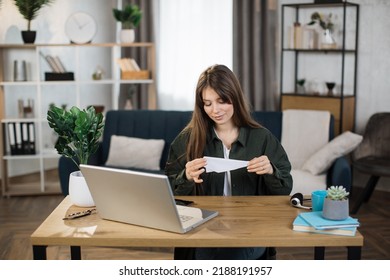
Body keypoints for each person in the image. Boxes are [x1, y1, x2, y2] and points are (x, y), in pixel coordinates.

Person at [165, 64, 292, 260]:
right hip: (204, 228)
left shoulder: (262, 138)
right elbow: (169, 194)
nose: (215, 110)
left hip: (250, 228)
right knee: (208, 252)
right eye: (207, 103)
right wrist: (186, 176)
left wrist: (270, 171)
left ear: (234, 97)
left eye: (221, 101)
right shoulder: (187, 139)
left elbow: (284, 190)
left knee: (230, 254)